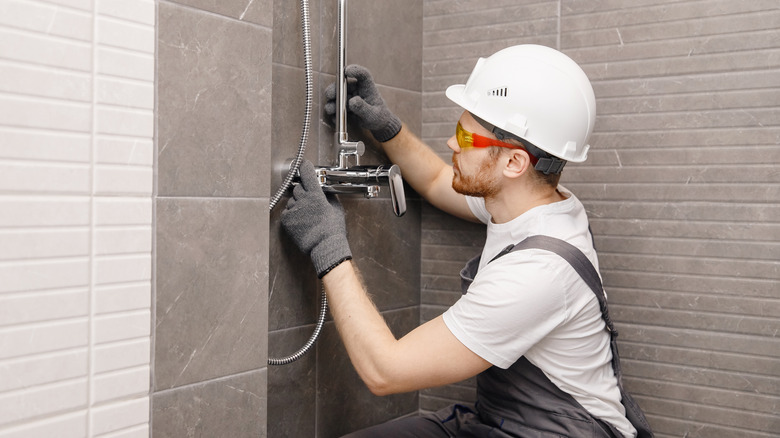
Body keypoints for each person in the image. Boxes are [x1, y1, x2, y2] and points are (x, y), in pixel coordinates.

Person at [281, 45, 642, 437]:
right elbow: (438, 182)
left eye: (464, 136)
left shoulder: (539, 273)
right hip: (502, 424)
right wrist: (388, 129)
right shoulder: (534, 203)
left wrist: (326, 244)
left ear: (514, 163)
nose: (452, 144)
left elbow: (385, 370)